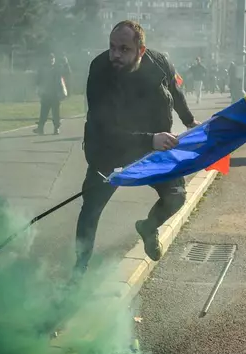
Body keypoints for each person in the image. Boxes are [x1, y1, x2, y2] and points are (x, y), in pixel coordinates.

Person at [75, 20, 200, 278]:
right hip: (109, 149)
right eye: (112, 47)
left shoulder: (160, 63)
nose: (115, 55)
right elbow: (104, 128)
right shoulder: (99, 70)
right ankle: (80, 267)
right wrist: (150, 139)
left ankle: (148, 226)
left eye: (124, 49)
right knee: (91, 206)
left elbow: (175, 94)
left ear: (141, 51)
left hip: (153, 146)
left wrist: (189, 120)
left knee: (175, 196)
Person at [33, 52, 69, 135]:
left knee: (55, 113)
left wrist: (66, 64)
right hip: (45, 93)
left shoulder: (57, 68)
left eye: (52, 58)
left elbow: (67, 73)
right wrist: (38, 90)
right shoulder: (43, 69)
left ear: (54, 59)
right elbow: (38, 80)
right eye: (50, 58)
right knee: (43, 112)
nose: (51, 60)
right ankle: (40, 128)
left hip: (55, 94)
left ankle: (56, 128)